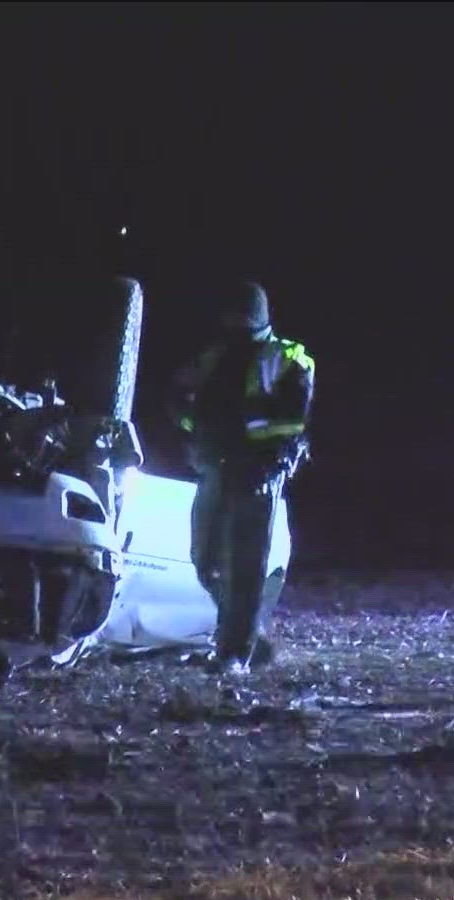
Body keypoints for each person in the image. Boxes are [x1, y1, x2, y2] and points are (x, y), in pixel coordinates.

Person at [172, 281, 316, 675]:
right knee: (205, 559)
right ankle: (242, 635)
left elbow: (292, 417)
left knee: (246, 565)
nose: (233, 322)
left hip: (258, 469)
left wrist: (272, 457)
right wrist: (191, 433)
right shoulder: (215, 356)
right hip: (215, 465)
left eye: (240, 315)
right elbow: (183, 397)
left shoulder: (286, 357)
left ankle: (236, 652)